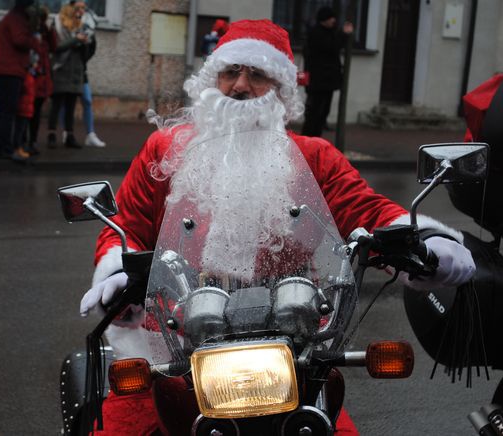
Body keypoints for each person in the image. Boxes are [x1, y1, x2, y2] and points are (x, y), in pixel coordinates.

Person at [79, 19, 476, 435]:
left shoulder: (313, 156)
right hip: (176, 345)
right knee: (124, 426)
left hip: (290, 346)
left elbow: (364, 208)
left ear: (282, 92)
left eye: (258, 75)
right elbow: (127, 221)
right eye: (230, 72)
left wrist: (424, 241)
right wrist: (117, 268)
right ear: (212, 80)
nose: (239, 87)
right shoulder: (167, 149)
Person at [0, 0, 39, 161]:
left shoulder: (12, 18)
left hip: (6, 69)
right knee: (7, 111)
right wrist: (33, 40)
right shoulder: (16, 19)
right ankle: (3, 148)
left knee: (3, 110)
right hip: (10, 70)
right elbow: (20, 40)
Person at [301, 6, 353, 137]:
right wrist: (344, 34)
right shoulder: (316, 33)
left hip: (326, 81)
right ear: (323, 19)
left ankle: (315, 137)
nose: (333, 20)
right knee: (314, 112)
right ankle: (309, 138)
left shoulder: (329, 32)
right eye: (330, 18)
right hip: (318, 81)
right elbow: (332, 47)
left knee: (322, 112)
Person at [46, 2, 87, 149]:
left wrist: (86, 43)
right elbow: (56, 47)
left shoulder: (81, 26)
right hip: (60, 69)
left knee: (71, 106)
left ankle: (69, 135)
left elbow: (85, 54)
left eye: (82, 10)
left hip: (75, 71)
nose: (80, 13)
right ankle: (51, 134)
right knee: (56, 104)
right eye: (77, 10)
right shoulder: (57, 25)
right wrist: (76, 39)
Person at [27, 4, 57, 155]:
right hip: (32, 78)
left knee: (36, 113)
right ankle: (25, 141)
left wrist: (49, 29)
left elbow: (54, 46)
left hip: (42, 80)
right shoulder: (30, 33)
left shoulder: (45, 33)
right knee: (27, 113)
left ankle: (32, 141)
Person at [78, 1, 106, 148]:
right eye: (79, 7)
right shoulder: (66, 22)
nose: (82, 10)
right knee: (64, 103)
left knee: (87, 100)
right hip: (65, 70)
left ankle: (90, 134)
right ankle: (63, 134)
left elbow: (91, 51)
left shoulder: (88, 26)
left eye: (83, 7)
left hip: (80, 71)